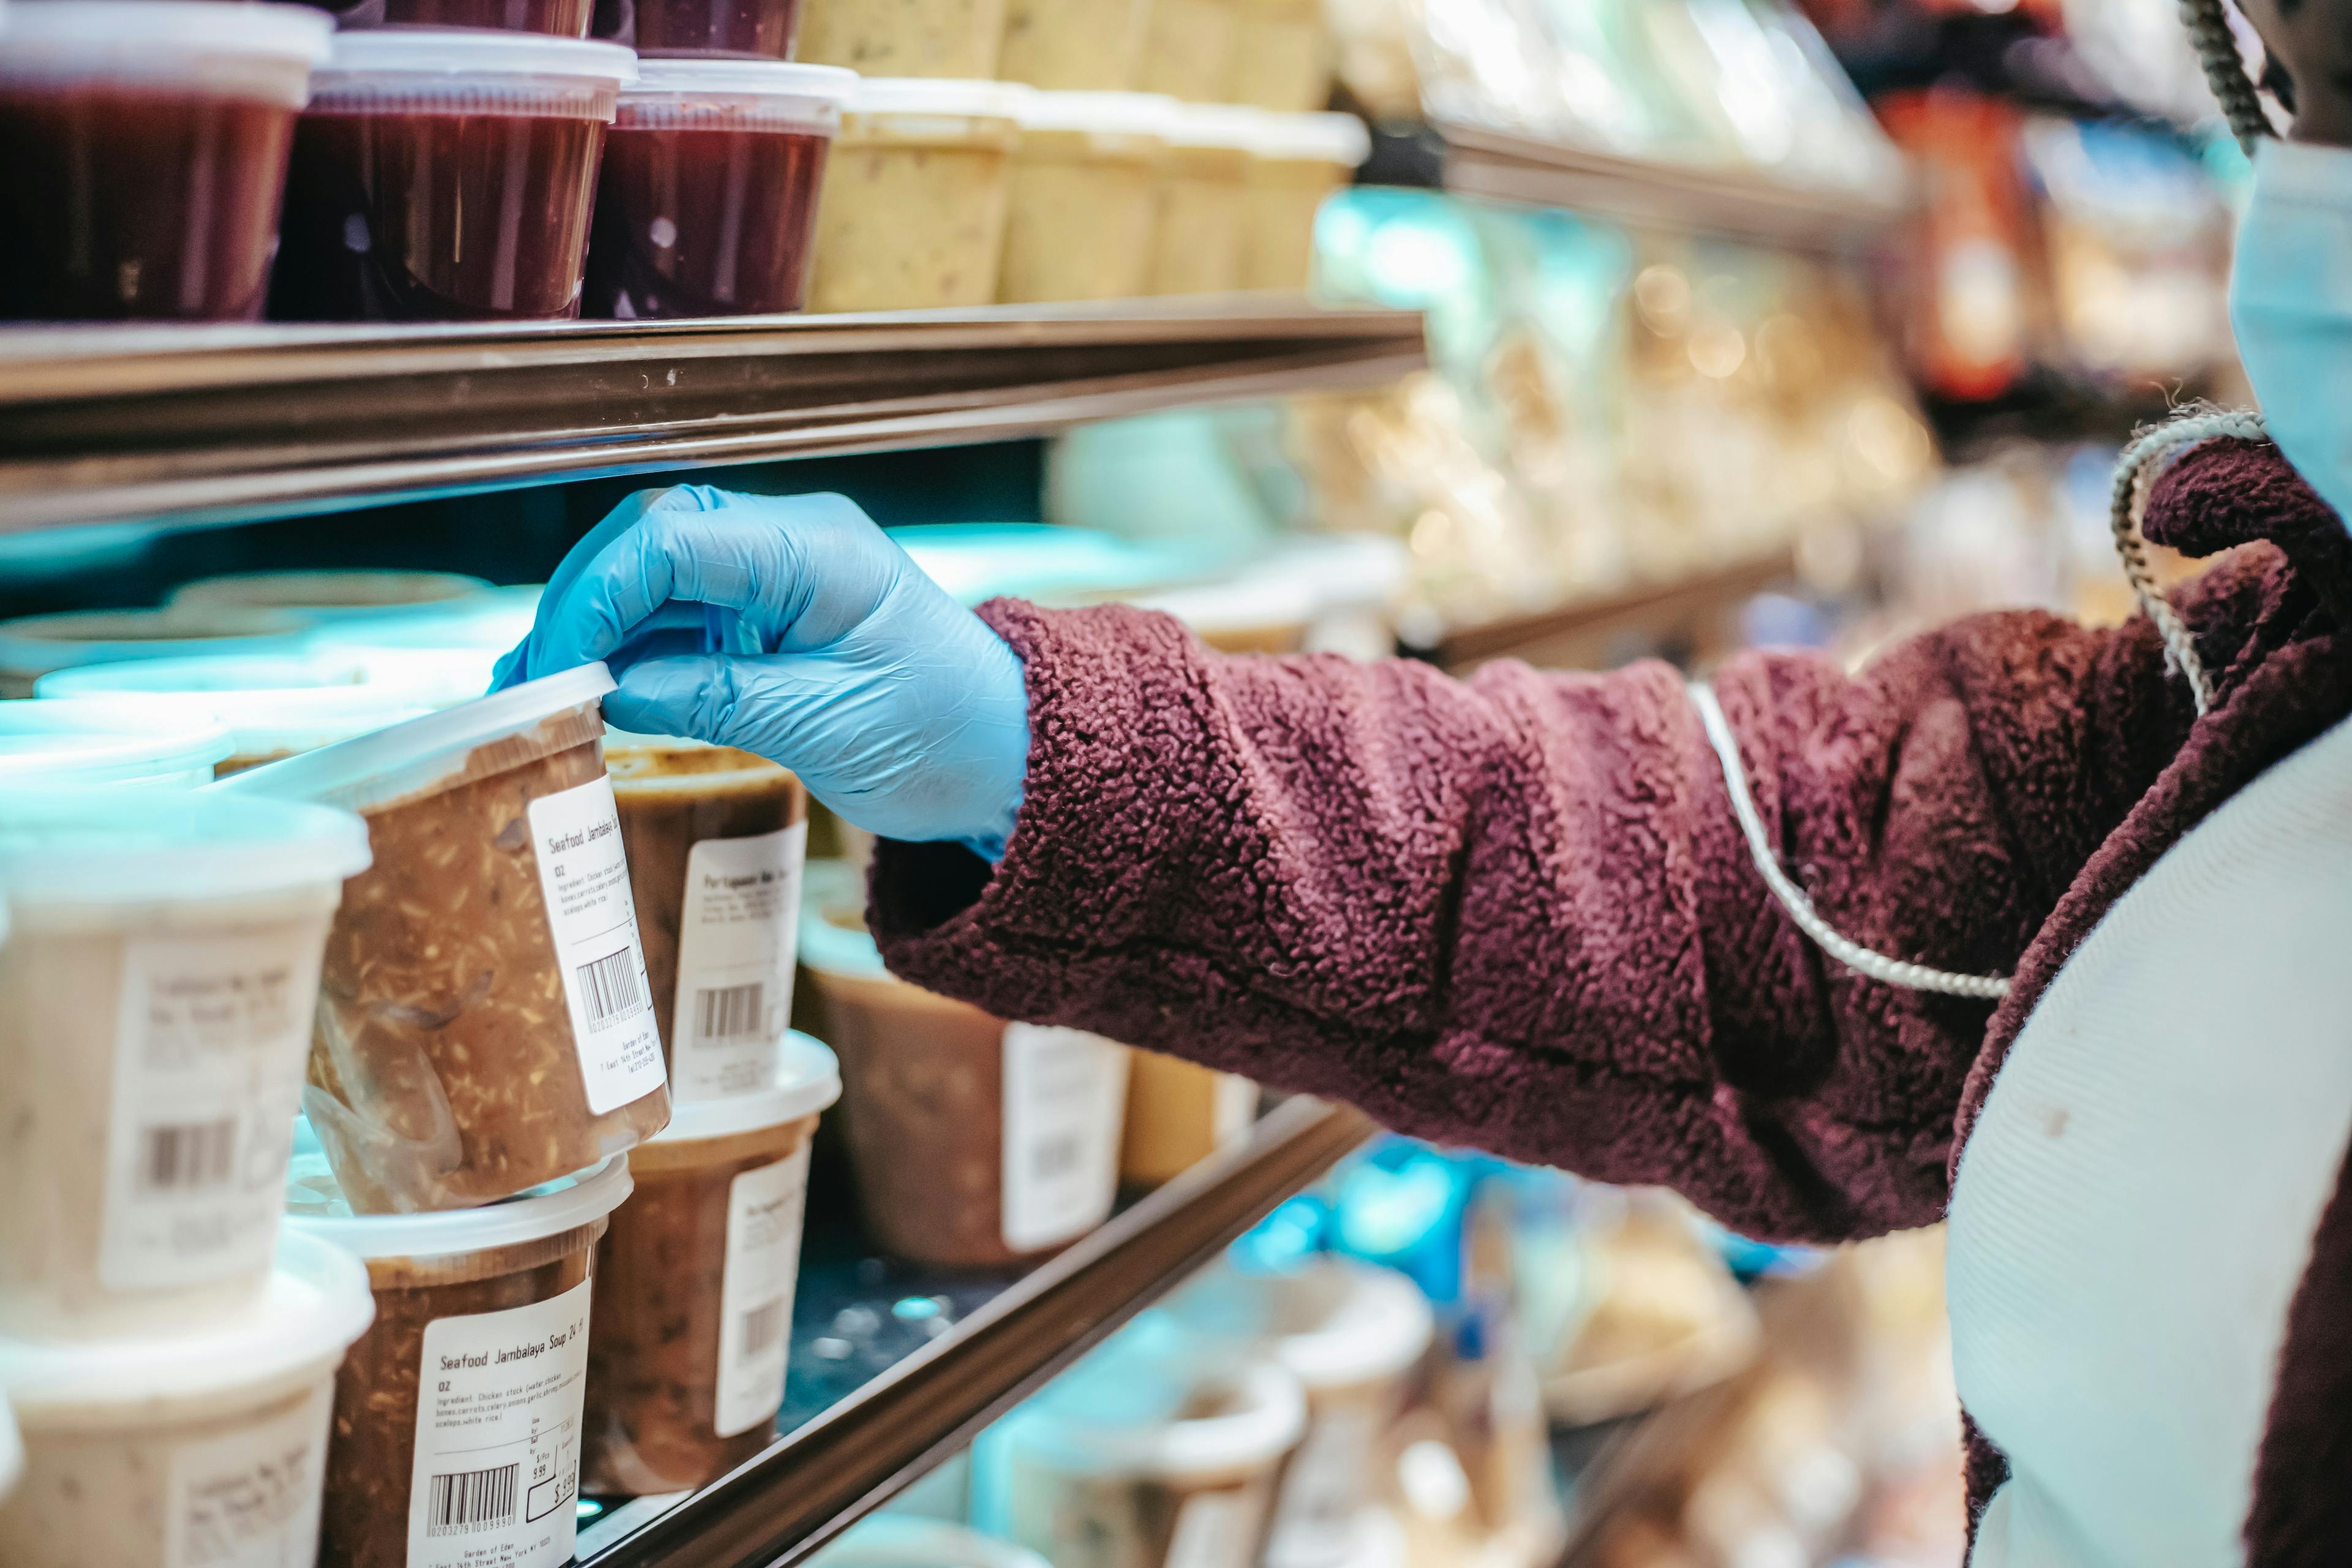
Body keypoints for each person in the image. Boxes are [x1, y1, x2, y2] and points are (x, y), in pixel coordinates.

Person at [497, 7, 2352, 1562]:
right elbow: (1761, 882)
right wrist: (1035, 744)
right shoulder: (2264, 677)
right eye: (2285, 90)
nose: (2304, 182)